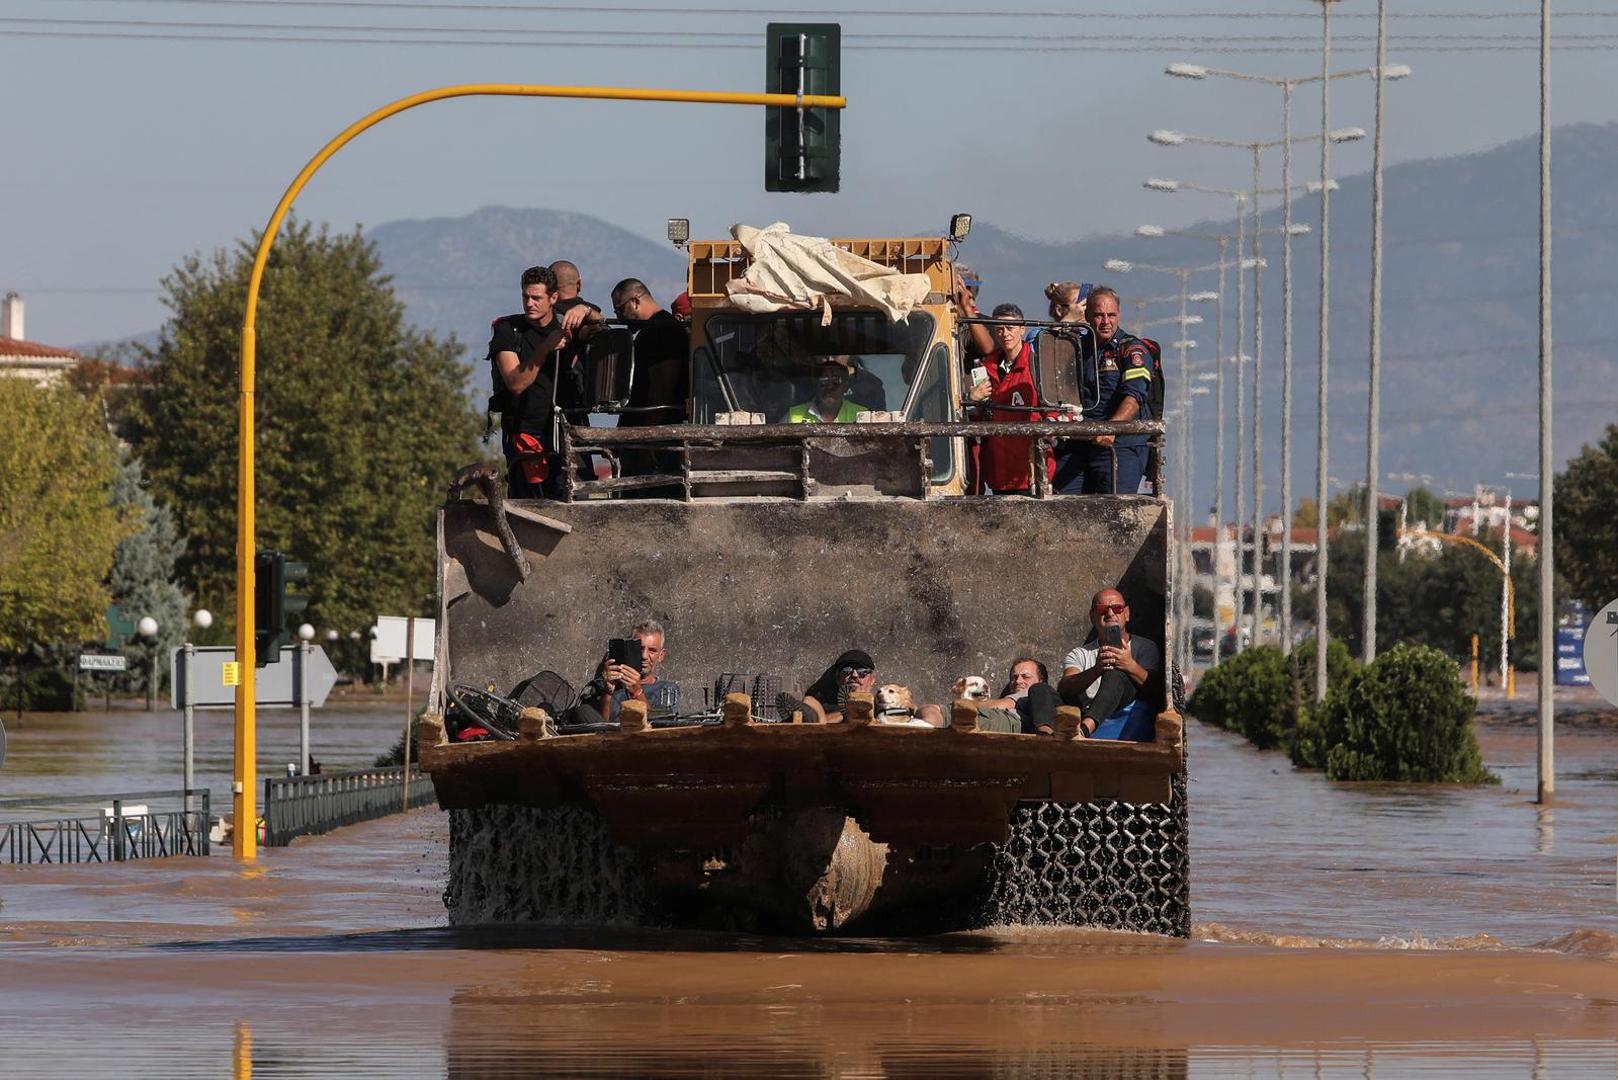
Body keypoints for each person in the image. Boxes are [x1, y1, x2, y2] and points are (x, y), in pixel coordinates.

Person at [1051, 286, 1153, 495]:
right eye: (1098, 315)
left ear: (1119, 315)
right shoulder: (1076, 348)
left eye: (1111, 315)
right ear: (1087, 316)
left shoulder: (1131, 350)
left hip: (1119, 446)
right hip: (1078, 443)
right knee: (1063, 510)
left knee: (1114, 514)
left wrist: (1111, 428)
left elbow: (1134, 396)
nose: (1106, 322)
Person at [490, 265, 568, 497]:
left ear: (553, 298)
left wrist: (586, 310)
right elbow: (515, 382)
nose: (529, 304)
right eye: (526, 297)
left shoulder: (567, 326)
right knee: (530, 506)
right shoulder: (509, 330)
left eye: (536, 298)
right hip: (526, 433)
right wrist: (545, 348)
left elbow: (597, 318)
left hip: (565, 431)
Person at [1057, 588, 1161, 740]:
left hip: (1128, 719)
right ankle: (1087, 727)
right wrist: (1096, 669)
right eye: (1102, 609)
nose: (1110, 613)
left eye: (1117, 608)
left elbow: (1157, 689)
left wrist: (1129, 665)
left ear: (1127, 614)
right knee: (1111, 669)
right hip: (1089, 711)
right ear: (1092, 616)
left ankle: (1085, 729)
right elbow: (1065, 688)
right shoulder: (1080, 654)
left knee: (1116, 671)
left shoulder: (1145, 647)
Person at [967, 302, 1047, 496]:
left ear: (1022, 329)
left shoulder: (1038, 365)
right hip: (998, 468)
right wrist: (973, 401)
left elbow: (1053, 409)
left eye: (1010, 328)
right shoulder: (986, 369)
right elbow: (979, 418)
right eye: (1000, 329)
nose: (1005, 334)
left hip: (1030, 468)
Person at [548, 260, 606, 424]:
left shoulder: (544, 316)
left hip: (545, 402)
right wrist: (587, 310)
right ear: (579, 284)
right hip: (575, 404)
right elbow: (604, 331)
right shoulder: (587, 317)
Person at [594, 619, 680, 722]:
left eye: (652, 650)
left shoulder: (667, 689)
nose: (644, 656)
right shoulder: (615, 691)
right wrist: (608, 692)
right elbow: (601, 728)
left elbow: (664, 727)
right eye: (640, 648)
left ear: (661, 655)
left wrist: (637, 692)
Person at [975, 657, 1060, 735]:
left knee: (969, 720)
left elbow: (1000, 705)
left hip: (1001, 720)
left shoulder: (1038, 689)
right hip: (995, 719)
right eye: (1014, 677)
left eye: (1026, 676)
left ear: (1040, 680)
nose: (1018, 681)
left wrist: (965, 704)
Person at [787, 357, 869, 423]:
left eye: (836, 381)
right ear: (816, 384)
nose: (829, 387)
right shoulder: (794, 414)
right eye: (824, 381)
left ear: (846, 386)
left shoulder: (861, 414)